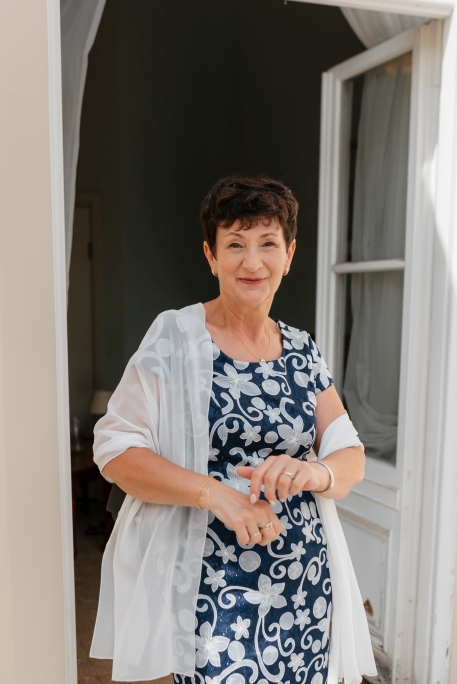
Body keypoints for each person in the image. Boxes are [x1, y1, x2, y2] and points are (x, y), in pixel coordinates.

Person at [90, 176, 376, 684]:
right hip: (211, 584)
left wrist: (314, 473)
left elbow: (349, 455)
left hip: (305, 580)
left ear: (289, 255)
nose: (252, 262)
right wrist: (217, 494)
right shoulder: (176, 336)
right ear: (211, 256)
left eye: (268, 244)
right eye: (236, 244)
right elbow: (116, 450)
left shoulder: (302, 349)